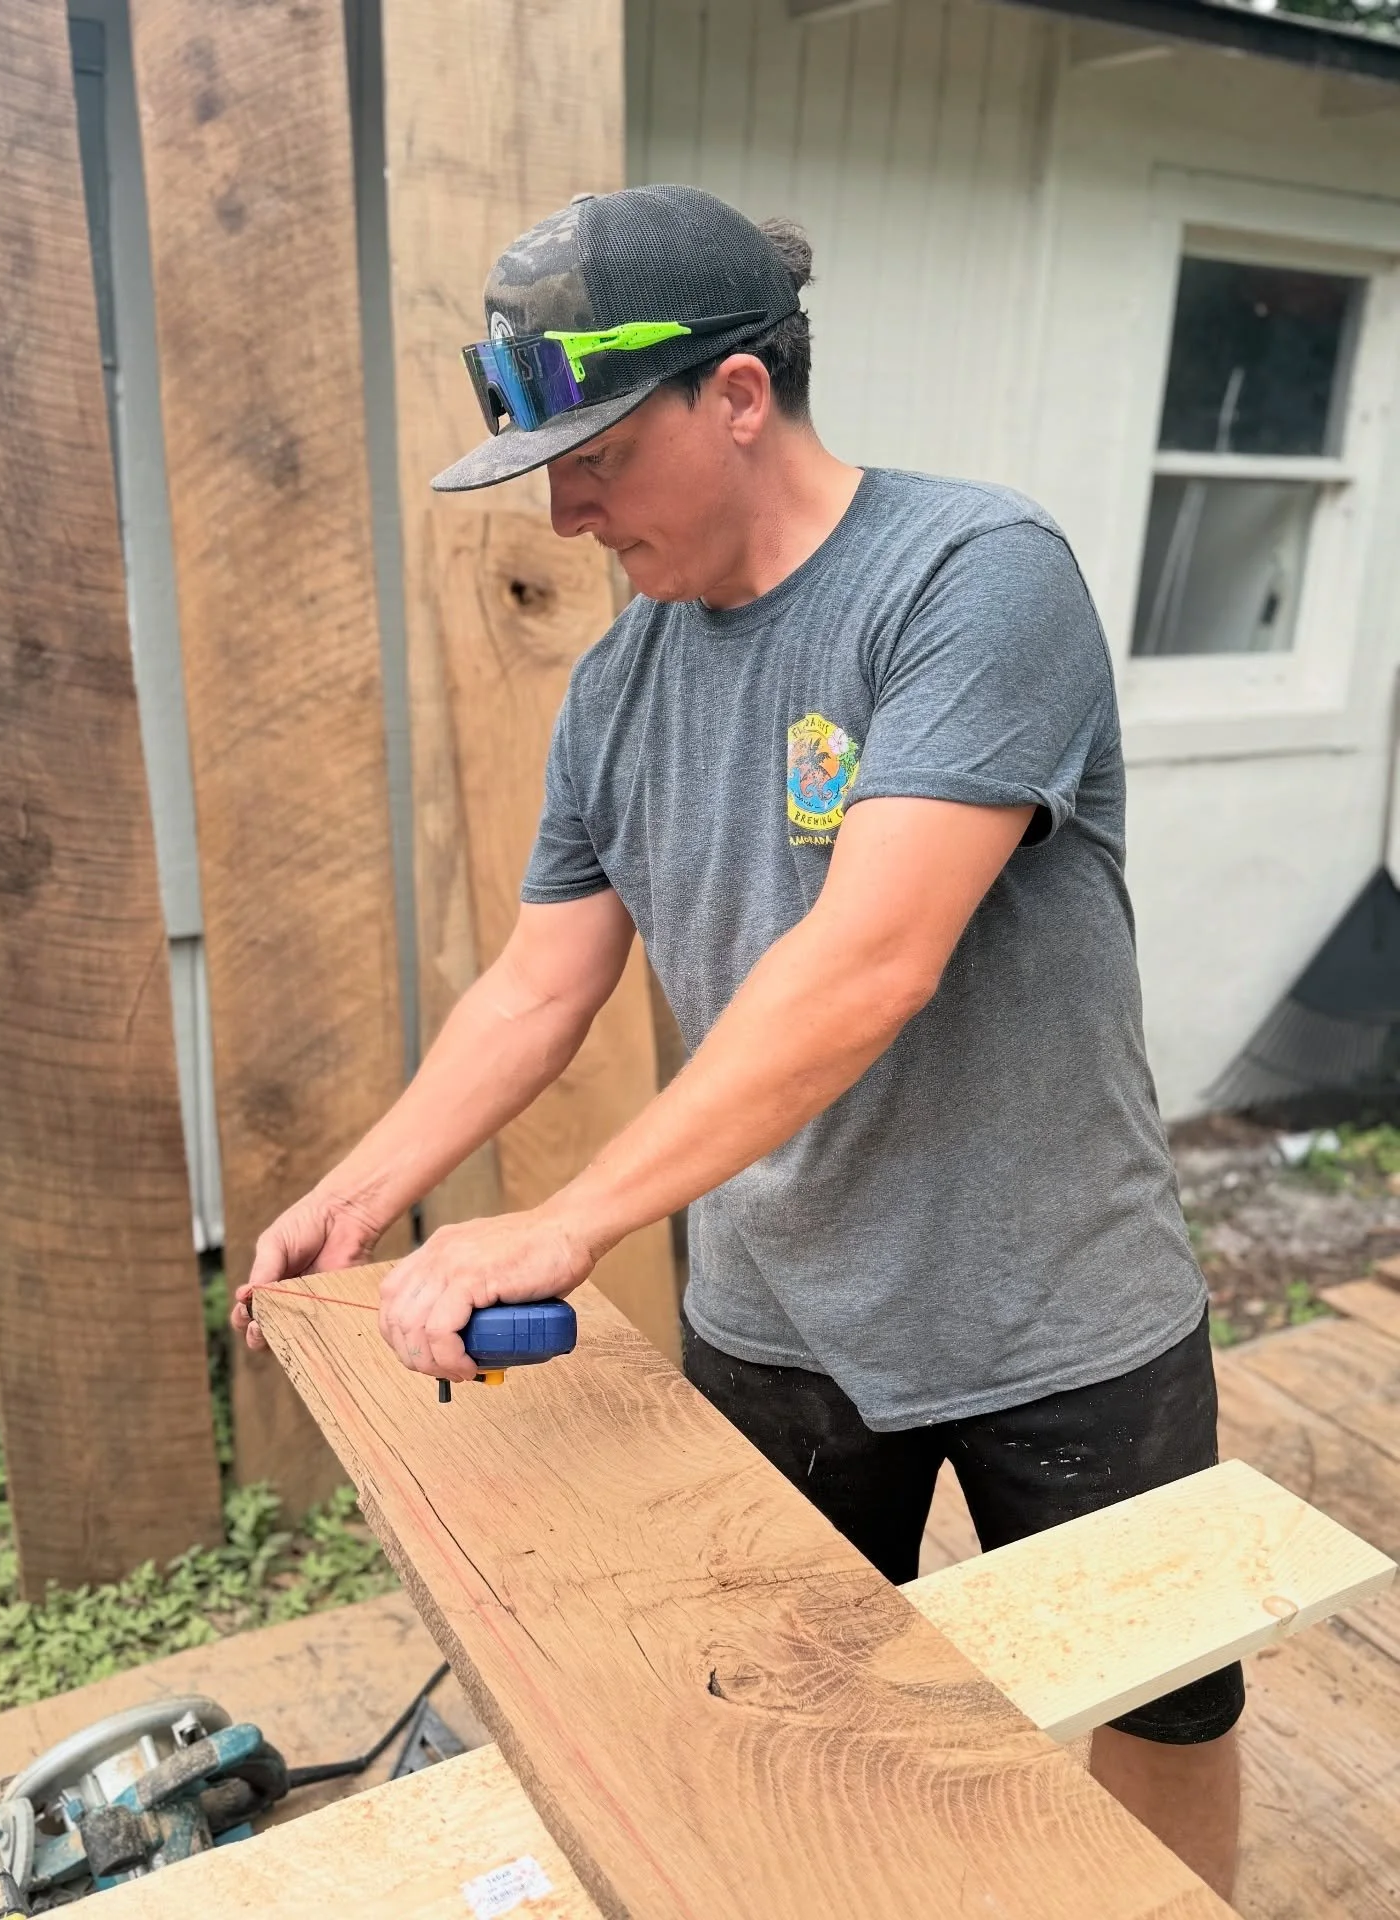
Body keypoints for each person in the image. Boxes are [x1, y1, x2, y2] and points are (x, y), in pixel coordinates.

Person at [233, 185, 1242, 1893]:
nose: (563, 508)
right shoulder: (619, 691)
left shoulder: (972, 580)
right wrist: (369, 1185)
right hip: (775, 1329)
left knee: (1156, 1719)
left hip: (1060, 1319)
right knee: (793, 1729)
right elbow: (537, 989)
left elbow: (869, 960)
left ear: (739, 396)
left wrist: (563, 1224)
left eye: (597, 455)